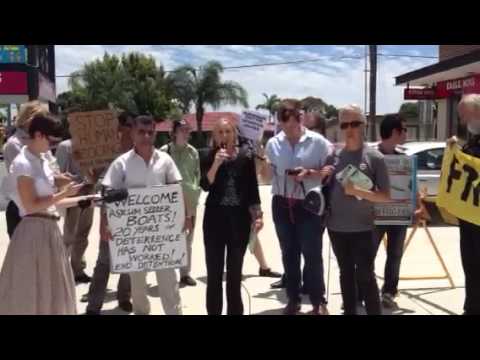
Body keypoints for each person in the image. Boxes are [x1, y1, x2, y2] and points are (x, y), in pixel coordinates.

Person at [0, 115, 97, 314]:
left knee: (53, 293)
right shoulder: (22, 163)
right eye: (51, 141)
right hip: (32, 233)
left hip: (50, 230)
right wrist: (63, 193)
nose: (53, 146)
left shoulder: (42, 161)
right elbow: (31, 206)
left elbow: (53, 202)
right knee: (31, 293)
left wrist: (84, 199)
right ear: (38, 135)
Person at [102, 115, 184, 315]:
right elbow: (107, 194)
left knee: (169, 283)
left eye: (150, 132)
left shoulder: (165, 161)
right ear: (132, 133)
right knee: (137, 287)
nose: (146, 136)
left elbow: (176, 190)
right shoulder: (121, 164)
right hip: (134, 240)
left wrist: (184, 218)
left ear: (155, 133)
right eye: (141, 132)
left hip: (163, 236)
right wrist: (104, 224)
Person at [265, 99, 333, 315]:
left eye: (292, 125)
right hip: (282, 203)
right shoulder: (273, 144)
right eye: (283, 126)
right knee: (289, 253)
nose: (288, 130)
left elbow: (331, 170)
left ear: (300, 119)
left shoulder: (319, 142)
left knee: (312, 253)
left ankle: (317, 301)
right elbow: (266, 177)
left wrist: (310, 173)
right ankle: (293, 299)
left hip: (308, 204)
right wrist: (263, 165)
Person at [326, 105, 391, 315]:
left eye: (354, 123)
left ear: (364, 125)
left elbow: (385, 196)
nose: (349, 129)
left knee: (365, 276)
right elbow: (327, 186)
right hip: (336, 227)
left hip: (364, 228)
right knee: (345, 274)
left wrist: (358, 191)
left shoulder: (375, 158)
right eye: (344, 124)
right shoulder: (333, 156)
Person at [362, 113, 427, 309]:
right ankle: (362, 290)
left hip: (398, 215)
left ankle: (389, 292)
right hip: (373, 215)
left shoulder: (405, 159)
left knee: (395, 254)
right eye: (404, 129)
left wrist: (417, 209)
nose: (406, 133)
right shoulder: (371, 157)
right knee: (367, 254)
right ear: (395, 132)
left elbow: (412, 187)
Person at [200, 118, 263, 315]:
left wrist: (258, 215)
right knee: (214, 276)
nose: (224, 135)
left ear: (234, 134)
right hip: (214, 223)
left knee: (235, 276)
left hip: (239, 223)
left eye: (228, 131)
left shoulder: (245, 157)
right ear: (214, 135)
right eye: (220, 132)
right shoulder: (208, 155)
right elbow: (205, 185)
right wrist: (216, 163)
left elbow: (253, 189)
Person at [83, 112, 134, 315]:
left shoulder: (140, 154)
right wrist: (89, 170)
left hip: (134, 217)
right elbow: (96, 183)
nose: (123, 133)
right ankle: (94, 305)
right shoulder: (105, 154)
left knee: (130, 260)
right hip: (110, 215)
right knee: (104, 262)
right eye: (120, 129)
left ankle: (124, 297)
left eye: (127, 128)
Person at [447, 94, 480, 315]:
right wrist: (454, 151)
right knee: (471, 268)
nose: (461, 121)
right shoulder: (471, 143)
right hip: (468, 221)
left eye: (463, 115)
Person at [161, 119, 201, 287]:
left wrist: (195, 190)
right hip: (170, 203)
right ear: (174, 132)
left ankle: (185, 274)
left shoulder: (193, 152)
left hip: (190, 201)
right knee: (169, 238)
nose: (186, 133)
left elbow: (196, 174)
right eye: (182, 130)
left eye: (188, 130)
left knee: (188, 239)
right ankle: (168, 274)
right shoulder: (164, 151)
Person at [2, 101, 49, 238]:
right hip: (20, 207)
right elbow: (30, 172)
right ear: (29, 120)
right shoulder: (14, 144)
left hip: (39, 206)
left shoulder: (39, 140)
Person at [56, 138, 95, 283]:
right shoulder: (65, 146)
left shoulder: (94, 144)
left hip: (89, 191)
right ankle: (62, 270)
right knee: (69, 235)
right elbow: (58, 173)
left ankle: (78, 269)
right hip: (74, 194)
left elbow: (98, 171)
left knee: (83, 234)